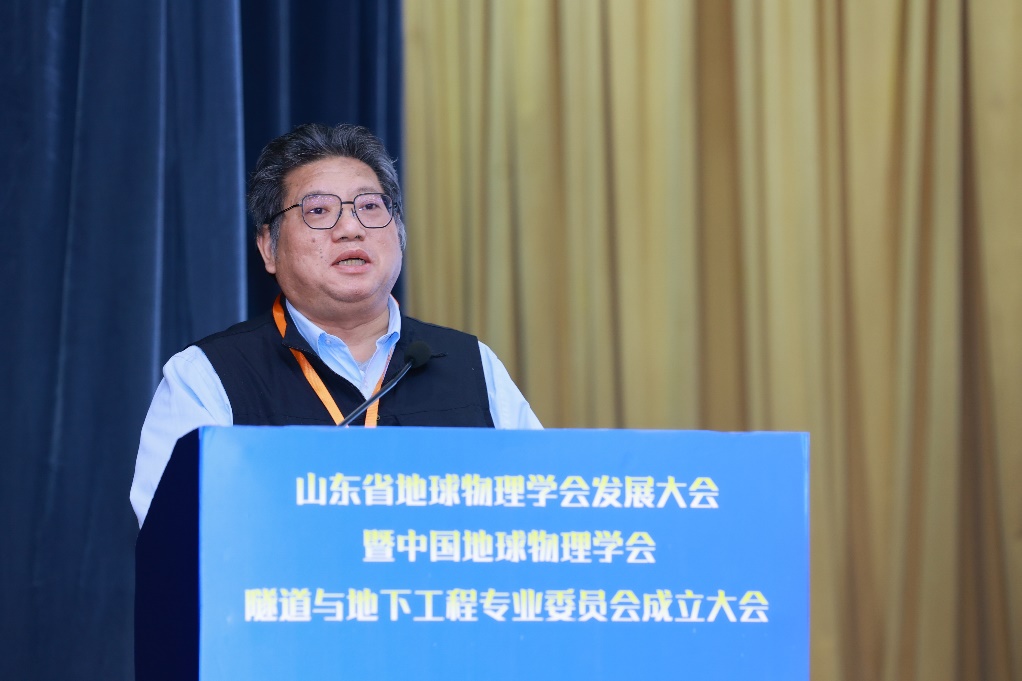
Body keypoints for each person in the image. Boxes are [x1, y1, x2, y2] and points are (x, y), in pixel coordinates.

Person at [130, 123, 541, 527]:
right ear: (268, 247)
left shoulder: (472, 365)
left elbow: (539, 514)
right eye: (318, 211)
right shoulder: (207, 377)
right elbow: (179, 537)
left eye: (370, 206)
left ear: (399, 232)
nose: (351, 228)